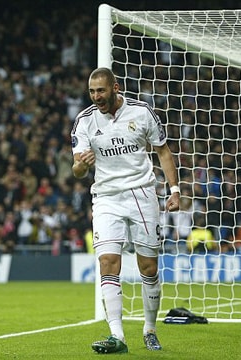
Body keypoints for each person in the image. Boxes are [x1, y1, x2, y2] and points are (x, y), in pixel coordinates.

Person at [71, 67, 180, 354]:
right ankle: (117, 336)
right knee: (108, 261)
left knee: (149, 267)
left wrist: (175, 190)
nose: (96, 97)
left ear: (115, 88)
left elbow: (163, 151)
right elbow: (77, 170)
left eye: (101, 91)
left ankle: (150, 328)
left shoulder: (142, 112)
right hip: (106, 197)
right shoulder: (84, 121)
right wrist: (82, 165)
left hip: (142, 195)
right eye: (92, 92)